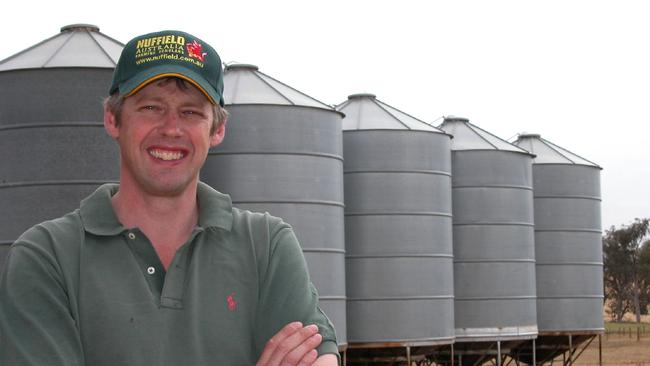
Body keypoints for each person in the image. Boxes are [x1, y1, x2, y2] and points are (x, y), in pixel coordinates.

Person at [0, 30, 339, 365]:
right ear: (113, 119)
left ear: (217, 129)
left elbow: (317, 359)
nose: (171, 128)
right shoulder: (47, 258)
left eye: (191, 112)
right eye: (151, 107)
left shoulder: (266, 245)